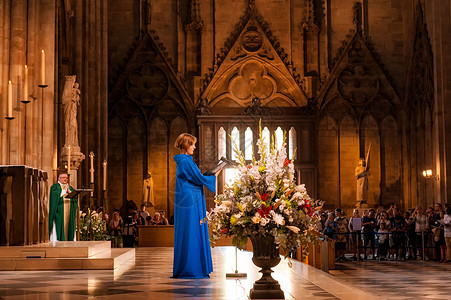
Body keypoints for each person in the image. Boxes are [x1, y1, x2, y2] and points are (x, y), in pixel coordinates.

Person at [172, 133, 215, 279]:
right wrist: (214, 175)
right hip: (190, 201)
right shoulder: (185, 161)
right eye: (192, 144)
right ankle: (191, 268)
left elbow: (197, 178)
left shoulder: (186, 161)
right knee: (191, 231)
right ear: (185, 145)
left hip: (192, 198)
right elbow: (199, 178)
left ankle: (195, 266)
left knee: (193, 230)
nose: (194, 147)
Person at [48, 173, 77, 241]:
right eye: (63, 177)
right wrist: (64, 191)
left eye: (66, 178)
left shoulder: (70, 187)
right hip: (59, 214)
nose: (65, 179)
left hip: (69, 214)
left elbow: (75, 197)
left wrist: (70, 192)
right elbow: (54, 198)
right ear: (59, 178)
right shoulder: (55, 187)